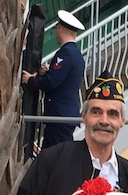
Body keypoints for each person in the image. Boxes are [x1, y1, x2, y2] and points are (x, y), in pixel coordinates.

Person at [22, 10, 85, 149]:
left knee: (58, 157)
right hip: (62, 116)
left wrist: (31, 80)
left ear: (60, 29)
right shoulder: (76, 54)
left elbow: (52, 82)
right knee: (49, 157)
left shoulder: (66, 53)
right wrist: (48, 72)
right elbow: (62, 78)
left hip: (60, 117)